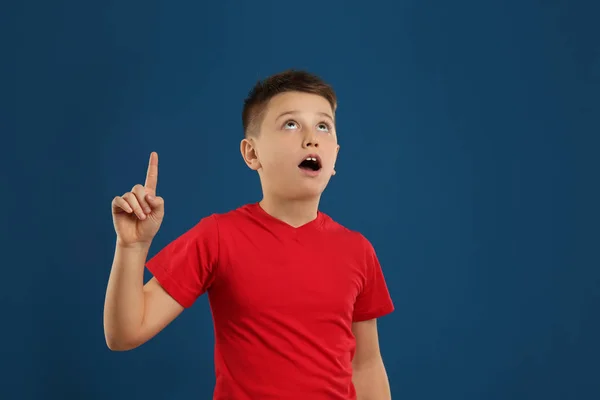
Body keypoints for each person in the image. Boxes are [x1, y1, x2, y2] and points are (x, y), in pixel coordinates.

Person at [103, 70, 395, 399]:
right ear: (251, 153)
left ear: (335, 156)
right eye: (291, 124)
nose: (311, 138)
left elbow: (367, 365)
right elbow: (124, 333)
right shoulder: (217, 236)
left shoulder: (357, 250)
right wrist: (132, 246)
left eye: (323, 126)